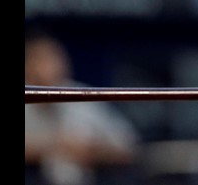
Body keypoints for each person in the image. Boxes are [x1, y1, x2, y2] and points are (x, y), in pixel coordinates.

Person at [25, 29, 142, 185]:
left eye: (53, 58)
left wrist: (92, 151)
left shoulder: (81, 95)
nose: (48, 67)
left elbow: (128, 146)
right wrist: (52, 146)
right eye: (39, 59)